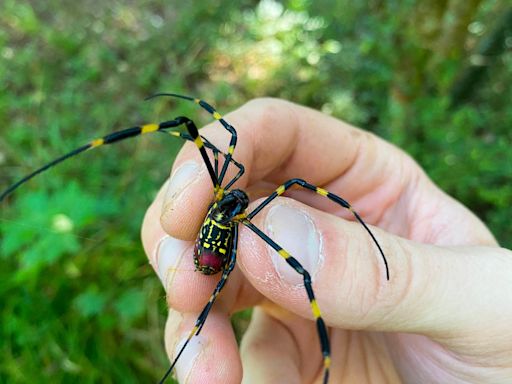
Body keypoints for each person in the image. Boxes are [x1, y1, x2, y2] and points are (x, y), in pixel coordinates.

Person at [141, 98, 512, 383]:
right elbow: (216, 135)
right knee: (210, 136)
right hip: (209, 254)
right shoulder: (226, 191)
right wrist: (200, 116)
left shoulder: (243, 211)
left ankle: (327, 361)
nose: (236, 193)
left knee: (300, 268)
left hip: (216, 255)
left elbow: (303, 263)